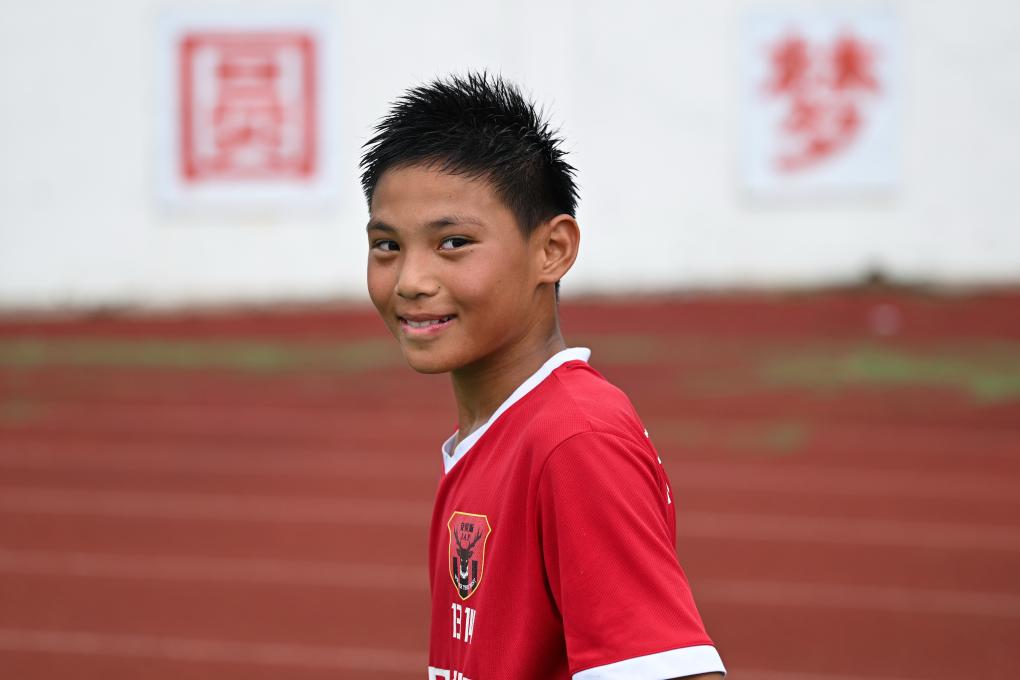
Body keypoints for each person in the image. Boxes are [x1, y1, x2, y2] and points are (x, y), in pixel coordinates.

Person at [361, 71, 725, 680]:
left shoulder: (574, 441)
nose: (410, 281)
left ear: (552, 250)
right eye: (387, 246)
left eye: (453, 242)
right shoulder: (498, 434)